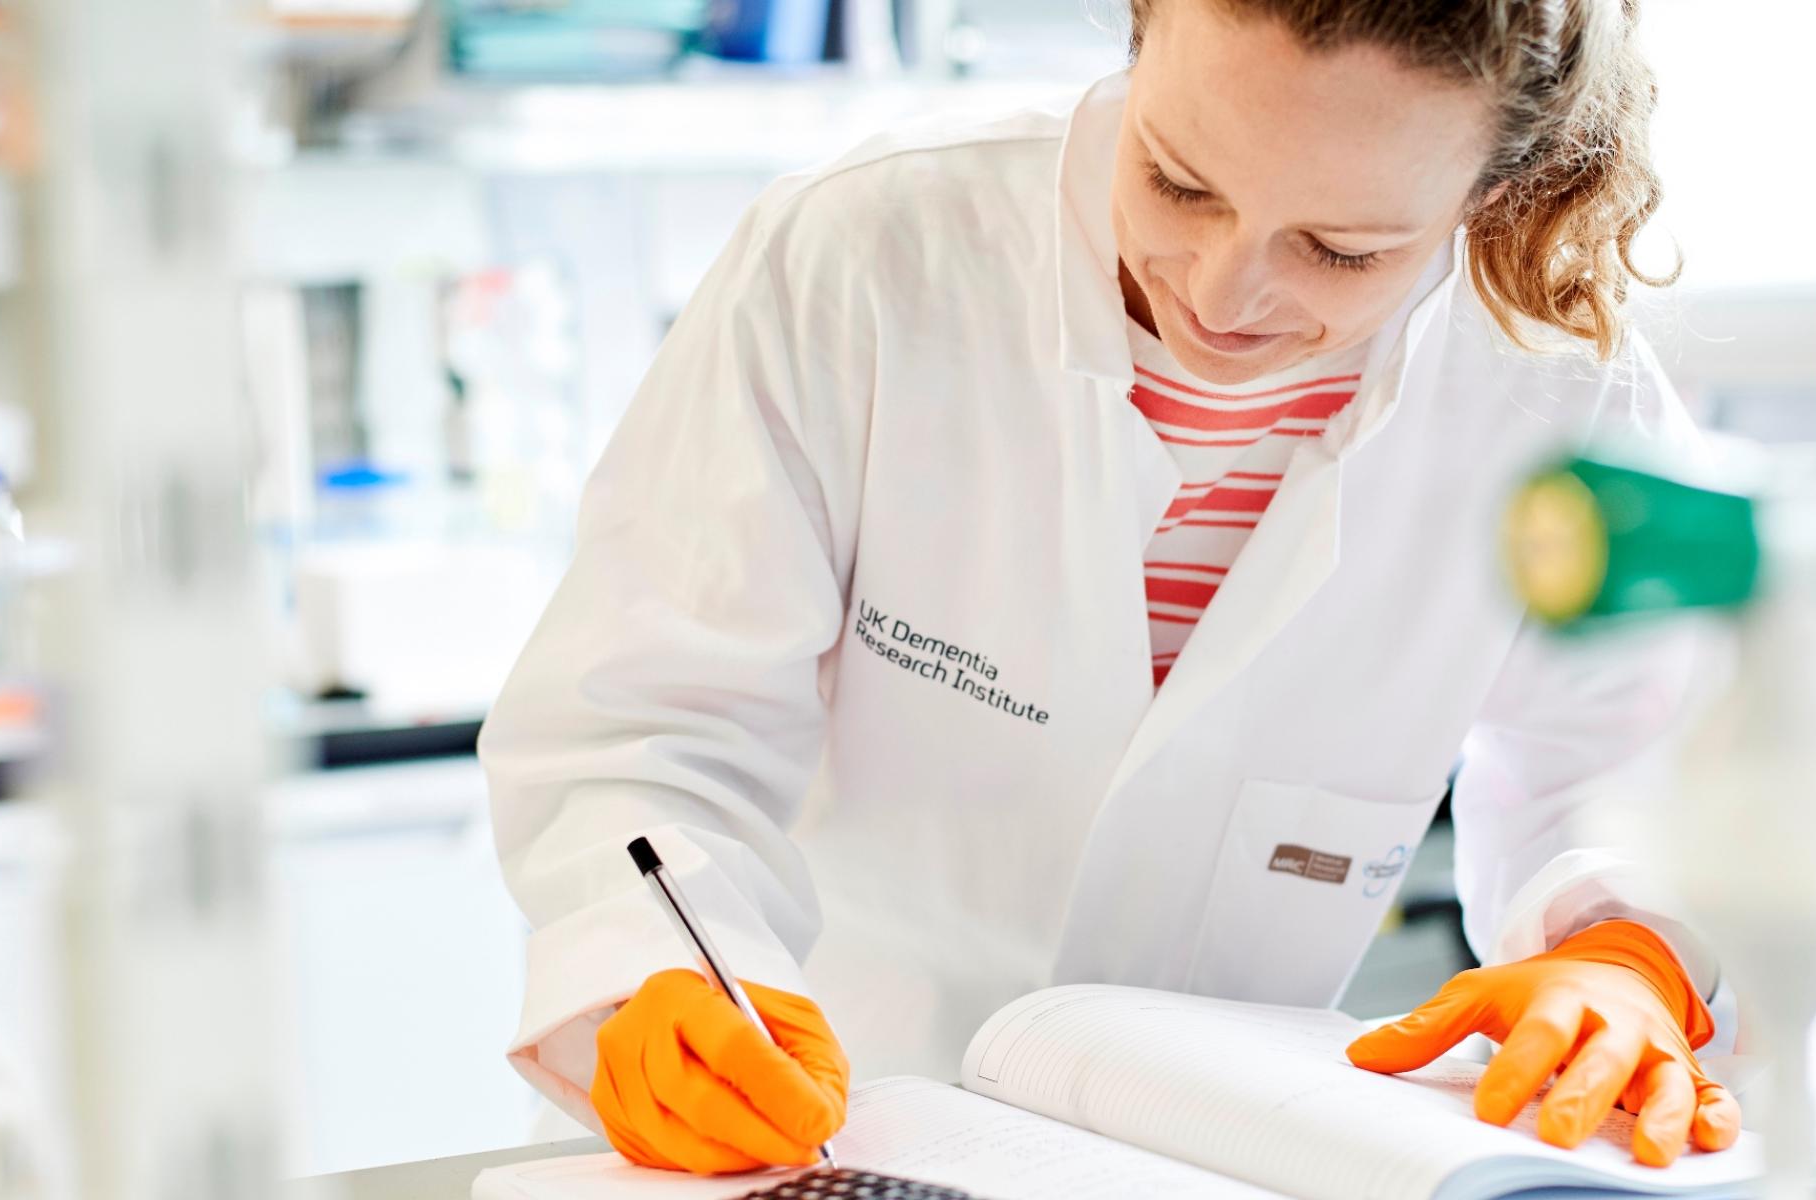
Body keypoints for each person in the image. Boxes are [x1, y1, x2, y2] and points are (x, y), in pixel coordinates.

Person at [481, 0, 1743, 1178]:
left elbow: (1645, 770)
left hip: (1207, 1164)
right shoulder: (866, 254)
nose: (1221, 294)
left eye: (1341, 249)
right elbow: (646, 727)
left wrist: (1626, 951)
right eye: (1179, 182)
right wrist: (655, 970)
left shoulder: (1557, 384)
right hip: (795, 1142)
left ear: (1497, 188)